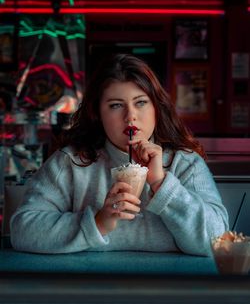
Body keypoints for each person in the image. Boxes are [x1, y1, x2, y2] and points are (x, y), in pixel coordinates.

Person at [10, 53, 229, 255]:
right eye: (116, 105)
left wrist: (161, 185)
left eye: (141, 103)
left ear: (156, 108)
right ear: (97, 113)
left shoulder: (185, 163)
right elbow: (22, 229)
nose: (130, 116)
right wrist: (97, 223)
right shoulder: (70, 163)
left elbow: (218, 240)